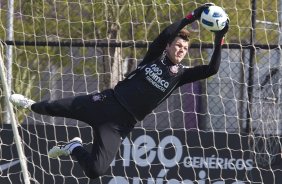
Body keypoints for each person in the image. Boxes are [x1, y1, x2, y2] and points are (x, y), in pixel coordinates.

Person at [9, 3, 229, 179]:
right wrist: (193, 15)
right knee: (50, 108)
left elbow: (212, 69)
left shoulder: (181, 75)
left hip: (119, 125)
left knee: (96, 171)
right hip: (106, 102)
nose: (180, 50)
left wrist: (219, 37)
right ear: (170, 46)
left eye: (184, 48)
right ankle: (30, 104)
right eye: (177, 45)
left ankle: (73, 147)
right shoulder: (155, 56)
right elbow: (164, 34)